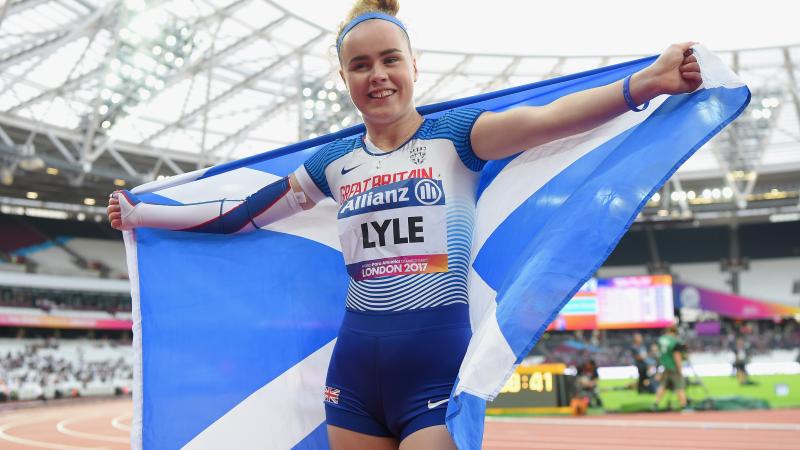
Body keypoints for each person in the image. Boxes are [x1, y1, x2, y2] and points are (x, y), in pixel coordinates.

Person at [107, 0, 701, 447]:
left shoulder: (459, 137)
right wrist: (143, 213)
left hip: (436, 367)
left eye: (390, 59)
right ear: (344, 80)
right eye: (360, 65)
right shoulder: (332, 166)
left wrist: (648, 82)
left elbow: (549, 120)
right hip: (355, 374)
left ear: (414, 65)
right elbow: (242, 216)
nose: (378, 75)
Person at [652, 325, 688, 411]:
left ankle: (655, 404)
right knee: (680, 386)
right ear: (675, 332)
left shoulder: (660, 340)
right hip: (673, 366)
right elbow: (677, 356)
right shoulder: (674, 342)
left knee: (663, 386)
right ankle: (684, 405)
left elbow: (655, 350)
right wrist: (680, 369)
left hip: (664, 366)